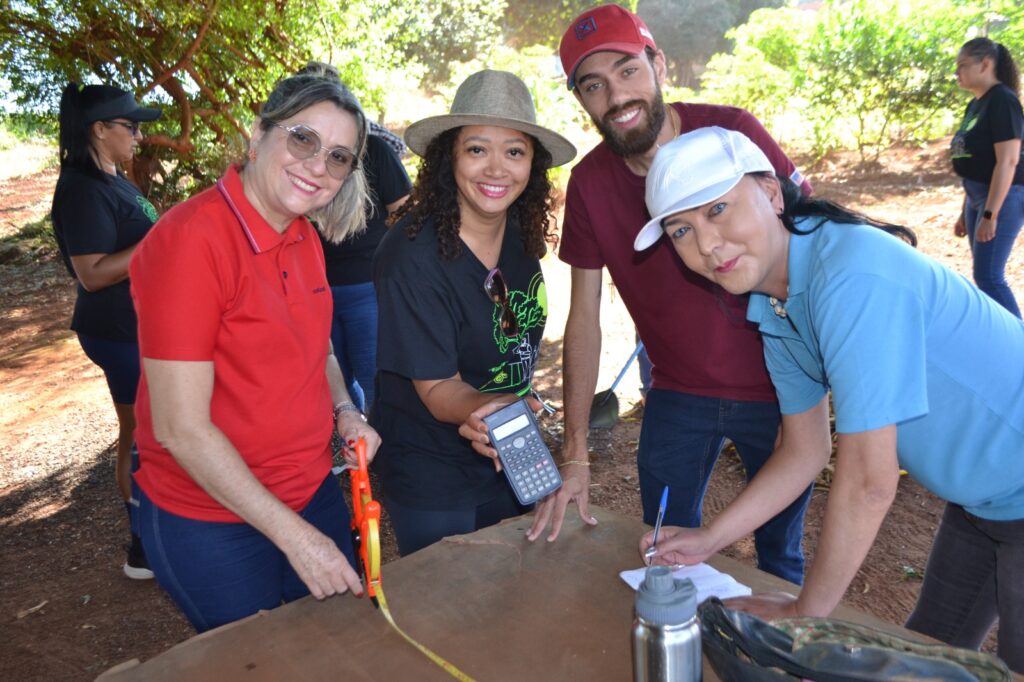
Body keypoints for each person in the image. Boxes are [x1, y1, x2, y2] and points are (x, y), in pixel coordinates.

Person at [637, 126, 1024, 674]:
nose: (706, 244)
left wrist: (806, 611)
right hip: (983, 504)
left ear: (771, 192)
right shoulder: (777, 306)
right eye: (681, 229)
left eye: (718, 209)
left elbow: (869, 482)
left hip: (1014, 492)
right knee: (927, 652)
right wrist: (710, 538)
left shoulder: (849, 273)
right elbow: (805, 450)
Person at [527, 4, 813, 586]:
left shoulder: (732, 133)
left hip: (780, 383)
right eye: (593, 85)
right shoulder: (590, 183)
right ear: (581, 100)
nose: (616, 95)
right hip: (678, 391)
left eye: (628, 70)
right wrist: (575, 452)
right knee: (664, 546)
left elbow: (809, 236)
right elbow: (584, 318)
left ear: (658, 65)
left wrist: (826, 371)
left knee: (780, 554)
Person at [129, 68, 381, 632]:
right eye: (303, 139)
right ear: (258, 134)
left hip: (309, 490)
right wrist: (298, 539)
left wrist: (345, 410)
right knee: (260, 663)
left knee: (337, 648)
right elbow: (180, 429)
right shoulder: (190, 241)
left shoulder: (302, 233)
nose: (317, 165)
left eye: (338, 157)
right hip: (213, 519)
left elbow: (319, 351)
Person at [372, 69, 576, 556]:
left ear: (533, 163)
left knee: (512, 581)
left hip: (507, 447)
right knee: (453, 592)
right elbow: (438, 388)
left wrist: (512, 416)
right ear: (450, 157)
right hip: (431, 467)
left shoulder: (519, 236)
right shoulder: (411, 256)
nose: (496, 169)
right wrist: (494, 411)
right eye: (477, 149)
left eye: (515, 152)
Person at [51, 82, 162, 580]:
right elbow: (92, 273)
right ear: (99, 129)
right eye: (130, 126)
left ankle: (157, 533)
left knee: (150, 429)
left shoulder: (113, 179)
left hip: (139, 326)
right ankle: (142, 547)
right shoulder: (81, 190)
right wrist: (162, 240)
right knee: (140, 433)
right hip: (117, 331)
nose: (138, 136)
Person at [318, 124, 411, 416]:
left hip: (369, 287)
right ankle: (352, 441)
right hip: (317, 290)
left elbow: (405, 216)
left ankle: (388, 440)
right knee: (334, 389)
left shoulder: (374, 150)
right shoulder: (304, 157)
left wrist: (400, 278)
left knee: (378, 382)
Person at [951, 37, 1024, 318]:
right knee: (984, 275)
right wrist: (965, 209)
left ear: (985, 64)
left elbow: (1008, 161)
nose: (957, 72)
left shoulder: (1003, 100)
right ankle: (1002, 337)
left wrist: (990, 214)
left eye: (962, 65)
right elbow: (976, 163)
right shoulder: (976, 105)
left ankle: (1017, 338)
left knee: (989, 277)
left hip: (1002, 197)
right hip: (977, 196)